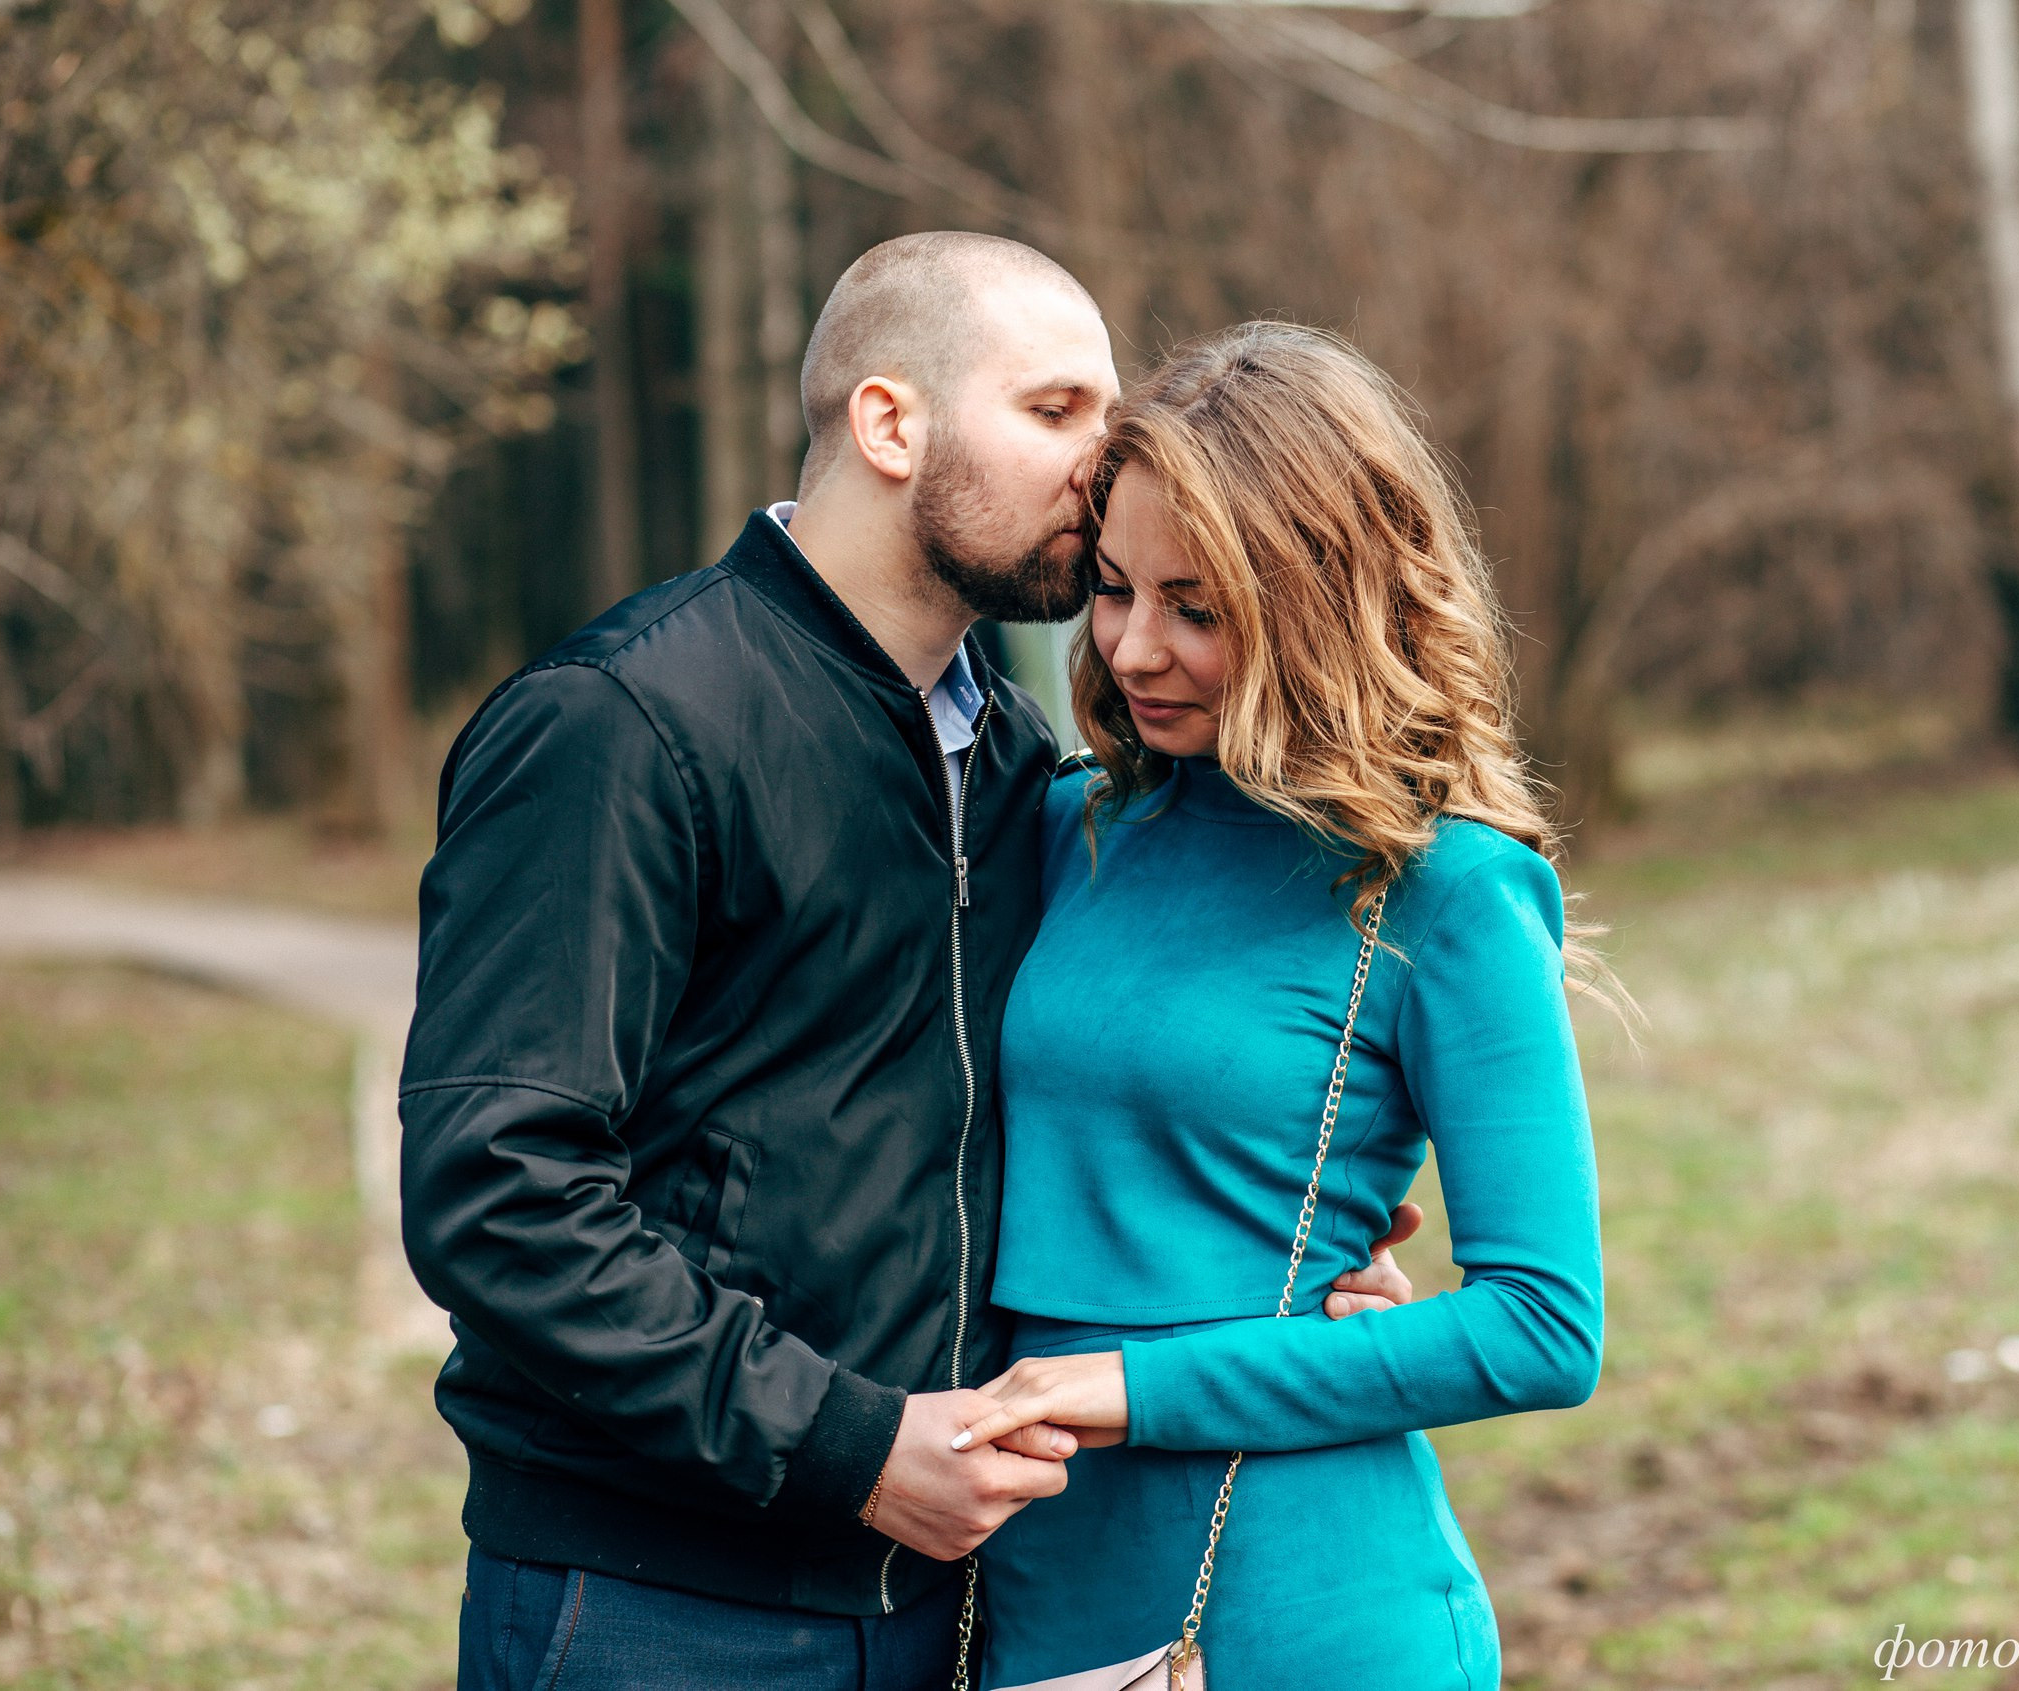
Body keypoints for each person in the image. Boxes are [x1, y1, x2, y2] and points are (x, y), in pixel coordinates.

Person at [398, 237, 1417, 1691]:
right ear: (890, 425)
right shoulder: (624, 723)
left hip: (941, 1607)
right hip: (657, 1607)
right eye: (1056, 409)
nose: (1106, 456)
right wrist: (849, 1447)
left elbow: (1020, 1120)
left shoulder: (1015, 768)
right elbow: (497, 1195)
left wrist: (1290, 1248)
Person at [958, 322, 1609, 1689]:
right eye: (1117, 589)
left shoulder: (1440, 888)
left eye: (1196, 609)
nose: (1134, 650)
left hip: (1298, 1600)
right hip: (1031, 1578)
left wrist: (1131, 1388)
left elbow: (1546, 1326)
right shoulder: (1064, 826)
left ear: (1322, 598)